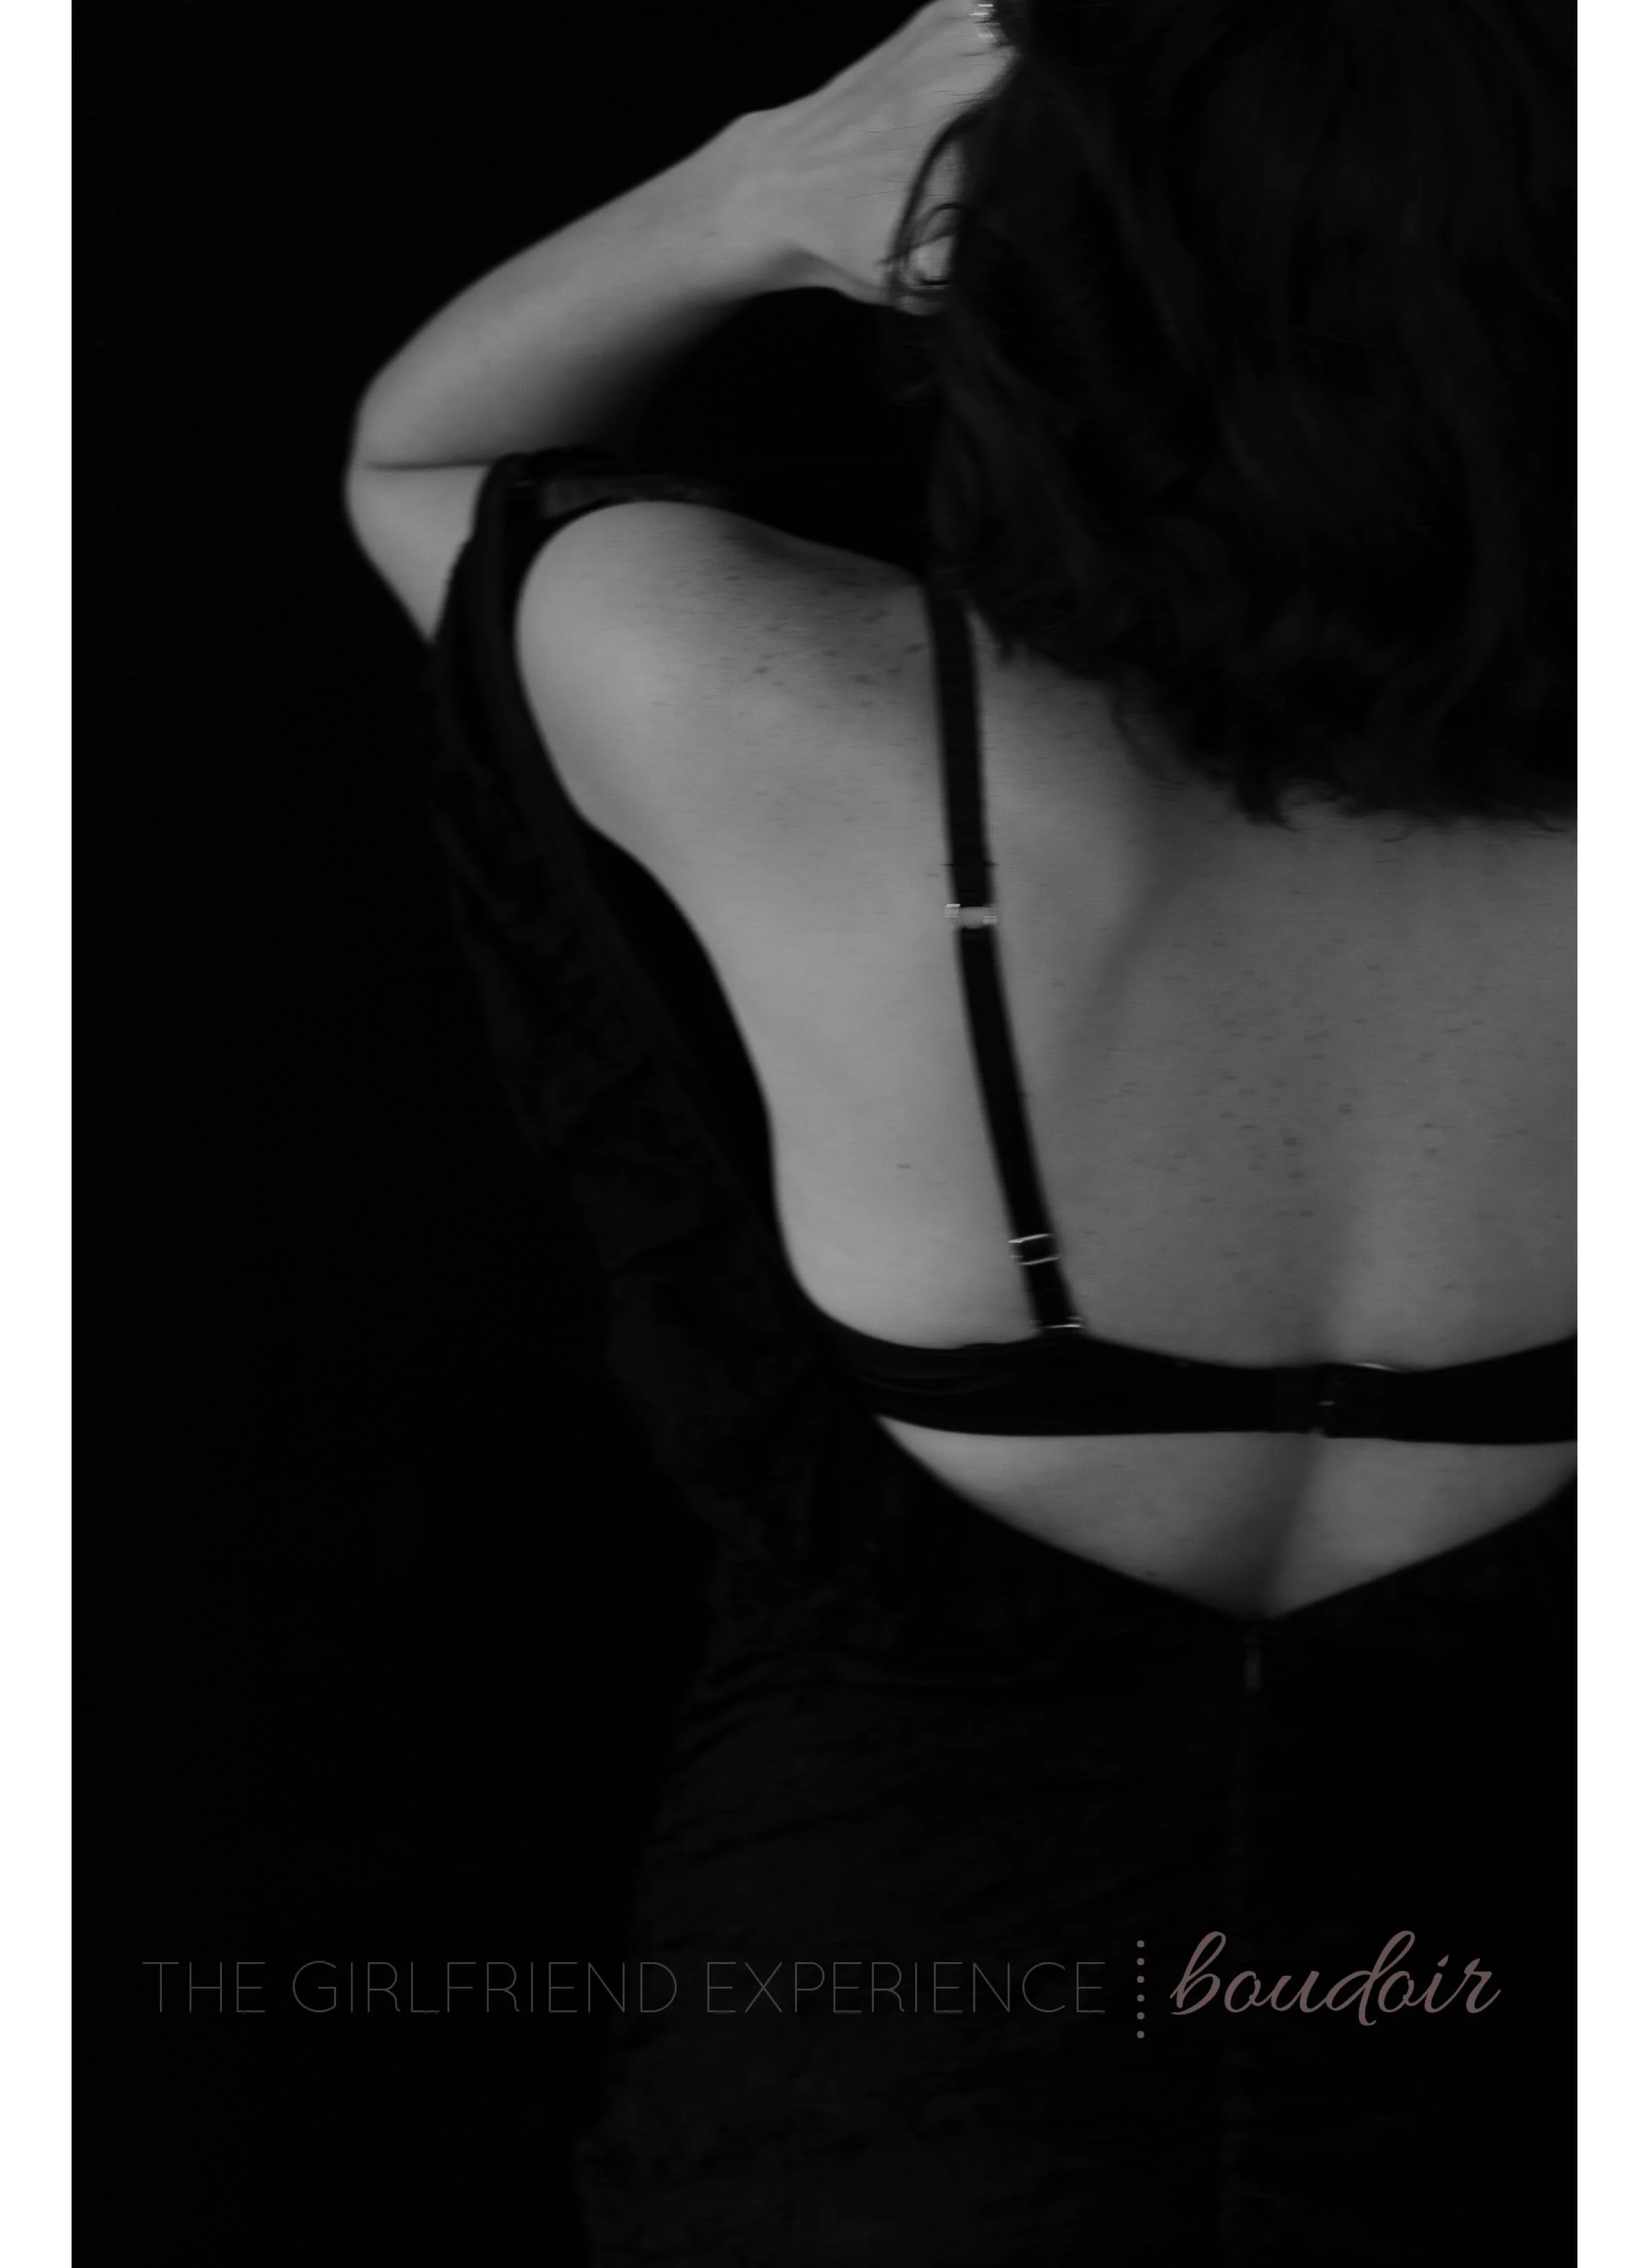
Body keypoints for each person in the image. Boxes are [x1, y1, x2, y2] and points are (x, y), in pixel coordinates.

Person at [344, 3, 1575, 2259]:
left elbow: (422, 463)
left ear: (1054, 296)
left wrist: (757, 186)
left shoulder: (784, 713)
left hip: (882, 2107)